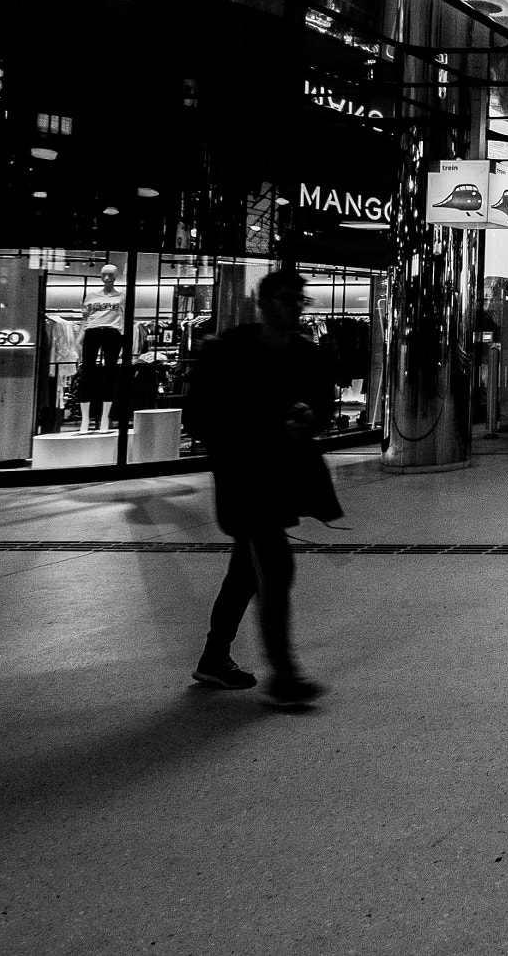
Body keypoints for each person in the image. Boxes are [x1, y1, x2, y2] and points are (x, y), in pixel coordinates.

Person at [184, 269, 340, 705]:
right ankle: (285, 676)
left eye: (300, 299)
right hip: (242, 476)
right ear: (264, 302)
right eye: (287, 298)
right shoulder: (229, 351)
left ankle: (214, 658)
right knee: (275, 565)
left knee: (246, 571)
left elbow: (323, 410)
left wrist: (309, 418)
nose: (295, 306)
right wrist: (258, 429)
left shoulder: (307, 355)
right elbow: (198, 417)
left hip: (280, 478)